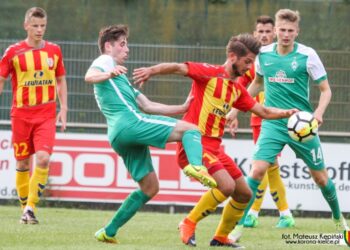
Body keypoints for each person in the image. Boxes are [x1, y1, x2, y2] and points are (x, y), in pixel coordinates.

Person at [133, 33, 297, 248]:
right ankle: (188, 222)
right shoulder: (210, 73)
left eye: (252, 62)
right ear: (232, 56)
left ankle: (220, 238)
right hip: (194, 144)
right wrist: (151, 71)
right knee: (227, 186)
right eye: (247, 61)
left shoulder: (237, 90)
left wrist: (287, 113)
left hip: (215, 148)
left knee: (244, 193)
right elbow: (178, 67)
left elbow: (263, 110)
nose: (250, 67)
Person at [85, 24, 217, 244]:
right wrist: (108, 71)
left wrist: (181, 108)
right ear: (108, 46)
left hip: (119, 136)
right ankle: (196, 166)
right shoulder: (105, 62)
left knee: (150, 187)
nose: (127, 49)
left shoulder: (121, 79)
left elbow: (148, 105)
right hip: (130, 124)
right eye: (122, 44)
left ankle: (108, 231)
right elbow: (89, 76)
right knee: (192, 130)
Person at [228, 9, 348, 243]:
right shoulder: (263, 55)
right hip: (272, 123)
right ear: (275, 31)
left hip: (302, 127)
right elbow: (257, 84)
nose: (285, 34)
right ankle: (237, 227)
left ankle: (339, 221)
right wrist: (234, 110)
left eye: (290, 31)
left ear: (297, 32)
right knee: (257, 171)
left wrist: (318, 114)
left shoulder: (307, 55)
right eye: (281, 30)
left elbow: (326, 90)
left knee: (321, 179)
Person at [0, 7, 68, 224]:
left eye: (43, 26)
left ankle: (30, 207)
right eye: (35, 26)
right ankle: (25, 212)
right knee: (21, 164)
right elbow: (1, 79)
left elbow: (60, 80)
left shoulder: (54, 51)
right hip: (20, 115)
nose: (39, 30)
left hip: (46, 115)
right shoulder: (13, 52)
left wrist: (64, 108)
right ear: (26, 26)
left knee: (43, 158)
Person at [229, 15, 295, 233]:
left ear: (274, 32)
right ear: (255, 34)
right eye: (261, 32)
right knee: (271, 168)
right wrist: (235, 113)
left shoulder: (278, 57)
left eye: (268, 32)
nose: (265, 36)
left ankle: (253, 213)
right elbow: (241, 88)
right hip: (260, 120)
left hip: (279, 120)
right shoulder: (251, 62)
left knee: (264, 166)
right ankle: (285, 214)